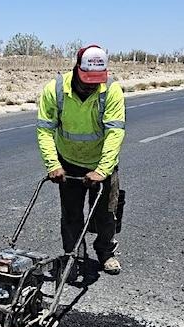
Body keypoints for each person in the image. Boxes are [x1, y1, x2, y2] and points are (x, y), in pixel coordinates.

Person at [36, 45, 125, 275]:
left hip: (101, 163)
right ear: (76, 68)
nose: (91, 84)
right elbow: (45, 130)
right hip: (69, 161)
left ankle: (106, 253)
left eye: (96, 79)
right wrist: (53, 164)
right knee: (71, 214)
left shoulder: (111, 90)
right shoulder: (54, 90)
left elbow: (115, 133)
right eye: (87, 79)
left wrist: (103, 170)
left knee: (106, 214)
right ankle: (73, 256)